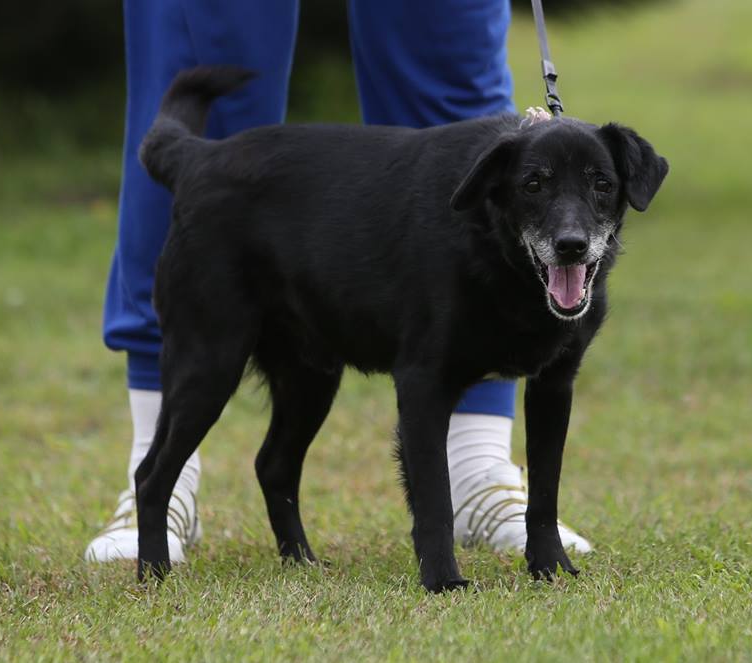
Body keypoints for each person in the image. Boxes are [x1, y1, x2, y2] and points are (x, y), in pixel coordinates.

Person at [85, 0, 591, 564]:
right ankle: (159, 482)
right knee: (210, 32)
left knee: (445, 58)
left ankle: (477, 467)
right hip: (226, 228)